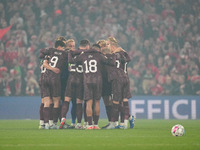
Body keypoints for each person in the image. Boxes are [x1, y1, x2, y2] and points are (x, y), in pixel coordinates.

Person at [71, 40, 116, 129]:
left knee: (89, 102)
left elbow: (72, 61)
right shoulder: (99, 55)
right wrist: (113, 55)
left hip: (87, 80)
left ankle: (89, 124)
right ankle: (95, 124)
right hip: (98, 80)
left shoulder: (83, 55)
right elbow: (111, 62)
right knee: (97, 102)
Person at [105, 37, 134, 129]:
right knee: (124, 101)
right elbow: (129, 59)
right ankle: (125, 122)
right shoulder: (123, 54)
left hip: (117, 79)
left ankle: (114, 123)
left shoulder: (113, 55)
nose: (107, 46)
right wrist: (123, 51)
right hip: (125, 77)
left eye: (108, 44)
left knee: (116, 102)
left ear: (112, 45)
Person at [39, 36, 68, 129]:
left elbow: (43, 62)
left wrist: (51, 68)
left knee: (46, 102)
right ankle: (54, 123)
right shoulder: (64, 54)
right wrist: (55, 70)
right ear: (60, 47)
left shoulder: (49, 52)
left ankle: (45, 124)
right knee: (56, 101)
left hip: (45, 77)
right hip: (55, 79)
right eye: (63, 47)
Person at [59, 40, 88, 129]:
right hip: (80, 80)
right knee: (79, 102)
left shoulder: (70, 54)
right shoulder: (85, 55)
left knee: (66, 100)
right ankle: (78, 124)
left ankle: (63, 119)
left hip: (71, 79)